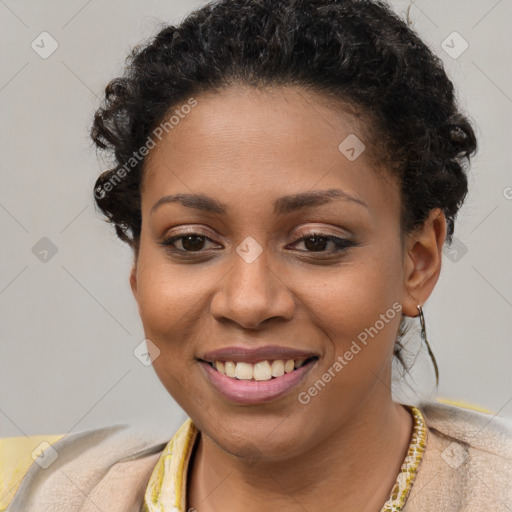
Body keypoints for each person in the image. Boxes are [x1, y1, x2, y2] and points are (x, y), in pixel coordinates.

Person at [2, 0, 512, 510]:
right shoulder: (45, 495)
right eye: (191, 241)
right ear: (138, 269)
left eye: (317, 242)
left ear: (418, 262)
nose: (248, 303)